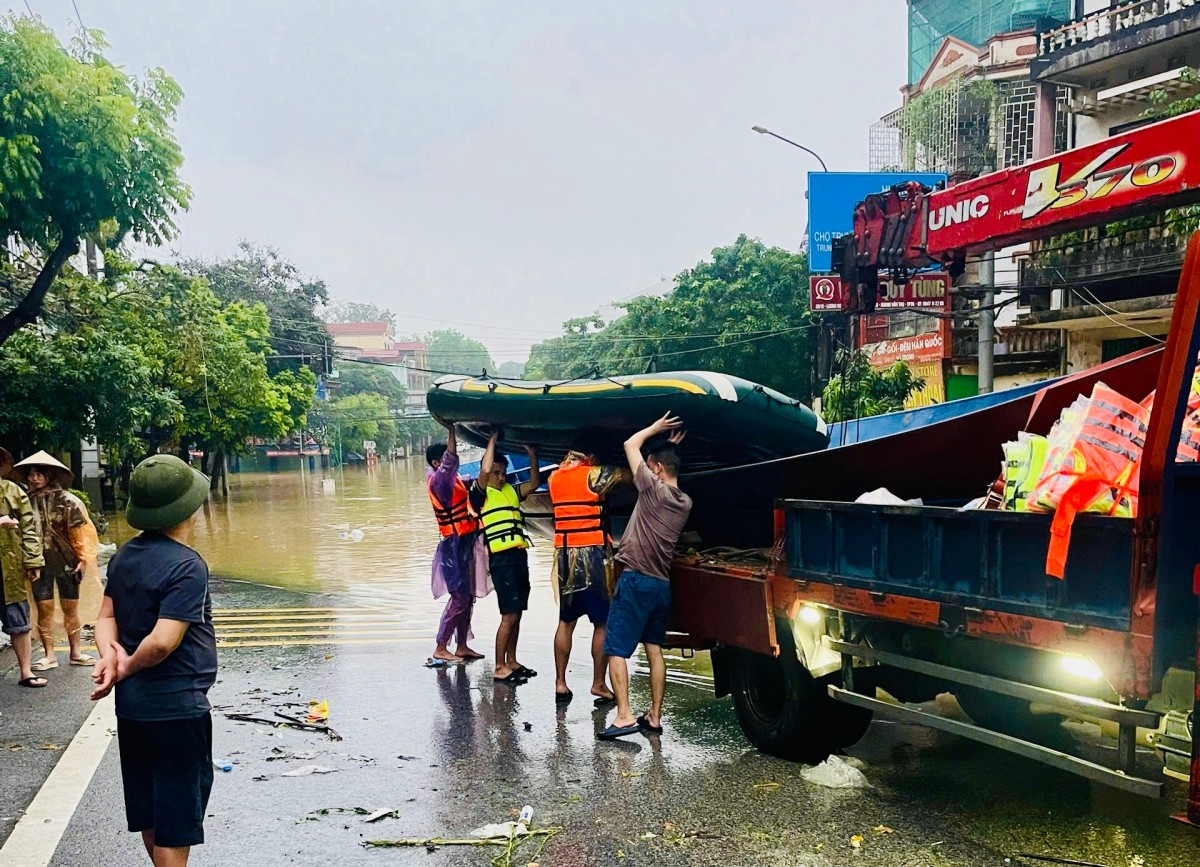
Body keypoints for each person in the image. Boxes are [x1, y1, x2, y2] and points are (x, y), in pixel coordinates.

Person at [89, 454, 215, 866]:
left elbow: (104, 617)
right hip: (177, 709)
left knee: (151, 805)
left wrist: (110, 656)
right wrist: (124, 665)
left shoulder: (124, 556)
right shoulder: (187, 565)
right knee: (178, 813)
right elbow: (163, 642)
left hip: (133, 708)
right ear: (189, 509)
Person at [598, 413, 692, 741]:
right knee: (654, 650)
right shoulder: (684, 502)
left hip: (636, 580)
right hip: (660, 585)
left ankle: (624, 717)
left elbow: (630, 444)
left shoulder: (652, 490)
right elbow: (663, 466)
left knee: (616, 649)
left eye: (651, 467)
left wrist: (654, 429)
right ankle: (653, 716)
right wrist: (665, 450)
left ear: (657, 470)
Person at [548, 437, 630, 704]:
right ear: (590, 456)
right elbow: (631, 475)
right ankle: (598, 684)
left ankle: (560, 683)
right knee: (602, 622)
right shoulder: (594, 474)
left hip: (564, 554)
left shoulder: (553, 479)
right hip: (591, 554)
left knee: (566, 621)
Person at [16, 450, 101, 672]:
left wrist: (83, 560)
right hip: (38, 563)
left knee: (70, 608)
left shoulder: (68, 501)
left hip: (67, 562)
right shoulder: (24, 503)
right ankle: (49, 654)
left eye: (39, 474)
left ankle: (76, 652)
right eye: (31, 474)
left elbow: (81, 533)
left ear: (49, 476)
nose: (34, 478)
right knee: (44, 609)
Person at [468, 431, 540, 684]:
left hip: (518, 556)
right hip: (501, 561)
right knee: (508, 615)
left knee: (518, 611)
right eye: (495, 473)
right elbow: (485, 469)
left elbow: (533, 483)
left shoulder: (510, 490)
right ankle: (499, 667)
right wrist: (492, 440)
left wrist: (532, 455)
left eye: (502, 473)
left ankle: (512, 661)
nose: (499, 477)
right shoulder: (481, 493)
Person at [426, 422, 489, 664]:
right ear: (436, 463)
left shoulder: (455, 481)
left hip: (465, 542)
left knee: (468, 595)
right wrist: (451, 430)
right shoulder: (439, 481)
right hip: (452, 546)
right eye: (444, 459)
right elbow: (451, 459)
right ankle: (441, 646)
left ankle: (462, 645)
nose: (452, 462)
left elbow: (476, 478)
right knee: (460, 597)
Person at [0, 447, 48, 689]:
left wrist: (32, 561)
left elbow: (29, 530)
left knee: (19, 619)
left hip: (10, 567)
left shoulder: (12, 492)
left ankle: (26, 671)